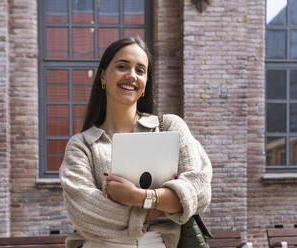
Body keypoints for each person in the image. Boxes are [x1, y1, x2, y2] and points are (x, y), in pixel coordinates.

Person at [59, 37, 212, 248]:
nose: (132, 75)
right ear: (103, 75)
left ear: (146, 81)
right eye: (122, 66)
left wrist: (137, 196)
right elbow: (85, 212)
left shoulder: (169, 127)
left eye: (140, 70)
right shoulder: (81, 145)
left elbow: (200, 191)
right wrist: (163, 205)